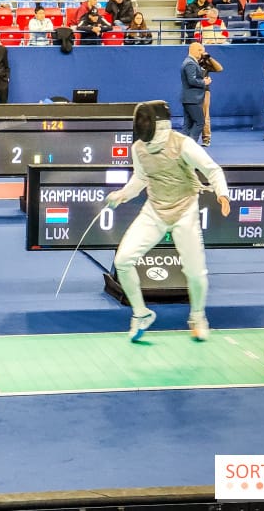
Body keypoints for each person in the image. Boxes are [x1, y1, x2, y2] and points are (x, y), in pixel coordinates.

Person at [106, 101, 231, 342]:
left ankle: (197, 316)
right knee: (122, 261)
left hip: (185, 211)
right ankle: (141, 314)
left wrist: (222, 193)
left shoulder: (183, 144)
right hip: (154, 210)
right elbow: (141, 178)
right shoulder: (139, 148)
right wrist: (121, 195)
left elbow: (212, 170)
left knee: (195, 271)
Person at [180, 42, 212, 143]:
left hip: (189, 98)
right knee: (199, 122)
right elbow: (192, 80)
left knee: (188, 125)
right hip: (193, 99)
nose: (203, 54)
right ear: (196, 51)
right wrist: (205, 82)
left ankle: (182, 146)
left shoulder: (189, 61)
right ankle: (191, 145)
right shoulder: (190, 63)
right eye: (201, 51)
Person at [199, 50, 223, 147]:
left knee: (205, 115)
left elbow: (219, 68)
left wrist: (209, 58)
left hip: (205, 91)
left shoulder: (205, 64)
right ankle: (191, 138)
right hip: (193, 91)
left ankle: (206, 139)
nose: (201, 52)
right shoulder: (191, 62)